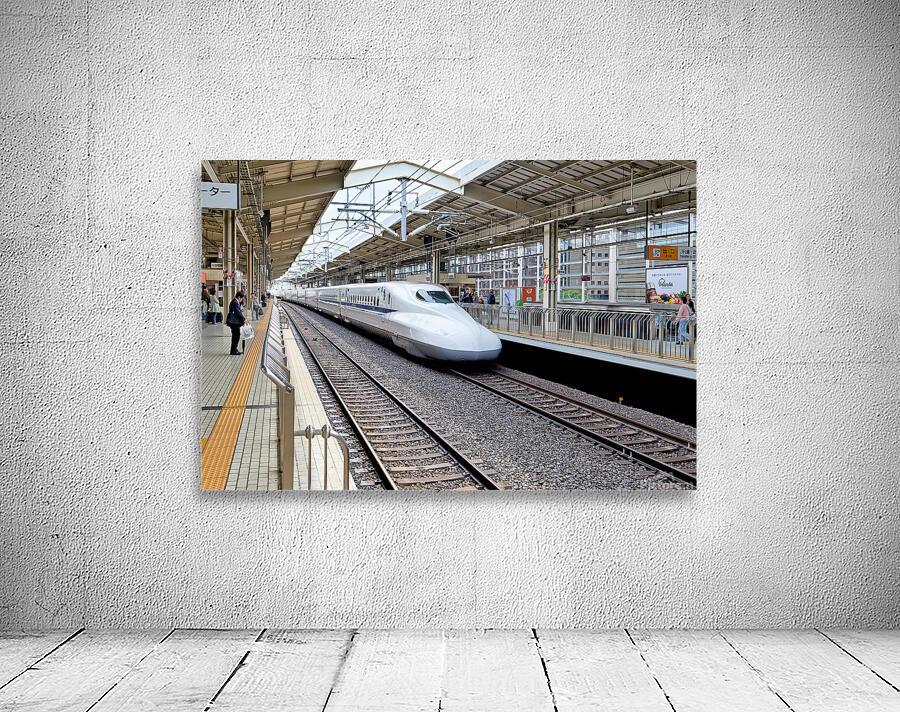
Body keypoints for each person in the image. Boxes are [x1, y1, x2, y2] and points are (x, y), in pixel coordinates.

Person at [226, 290, 246, 355]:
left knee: (235, 336)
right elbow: (237, 313)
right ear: (239, 297)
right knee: (236, 336)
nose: (242, 300)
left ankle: (234, 349)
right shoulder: (235, 302)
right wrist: (244, 319)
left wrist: (240, 310)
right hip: (234, 323)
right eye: (242, 298)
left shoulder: (234, 301)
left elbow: (236, 311)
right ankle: (233, 351)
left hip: (233, 322)